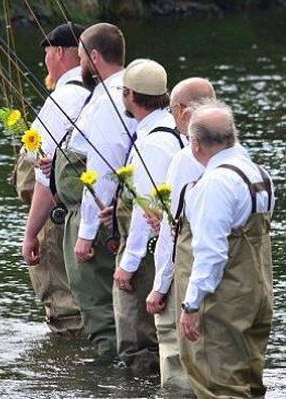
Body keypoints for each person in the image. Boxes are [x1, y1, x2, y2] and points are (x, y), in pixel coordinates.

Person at [175, 100, 274, 398]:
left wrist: (191, 305)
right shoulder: (259, 174)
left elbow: (211, 253)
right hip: (256, 295)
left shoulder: (215, 183)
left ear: (195, 145)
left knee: (218, 386)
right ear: (233, 136)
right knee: (250, 383)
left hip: (222, 302)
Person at [53, 22, 136, 360]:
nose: (79, 64)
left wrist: (86, 233)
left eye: (82, 56)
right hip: (114, 214)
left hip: (99, 218)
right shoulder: (123, 92)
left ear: (95, 56)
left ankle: (110, 379)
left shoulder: (108, 100)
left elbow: (101, 170)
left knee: (100, 310)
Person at [103, 58, 179, 372]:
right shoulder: (174, 129)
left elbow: (144, 211)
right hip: (165, 246)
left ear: (131, 96)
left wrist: (128, 265)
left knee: (138, 343)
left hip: (147, 254)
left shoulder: (152, 143)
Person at [145, 77, 215, 390]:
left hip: (191, 276)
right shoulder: (237, 152)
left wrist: (159, 286)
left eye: (174, 112)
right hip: (230, 276)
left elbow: (173, 232)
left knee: (178, 363)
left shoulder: (186, 158)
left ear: (183, 112)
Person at [21, 23, 89, 335]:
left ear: (58, 52)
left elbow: (44, 179)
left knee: (64, 305)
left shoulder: (63, 99)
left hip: (60, 217)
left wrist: (31, 233)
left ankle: (68, 372)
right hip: (96, 216)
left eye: (47, 53)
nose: (46, 61)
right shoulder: (107, 94)